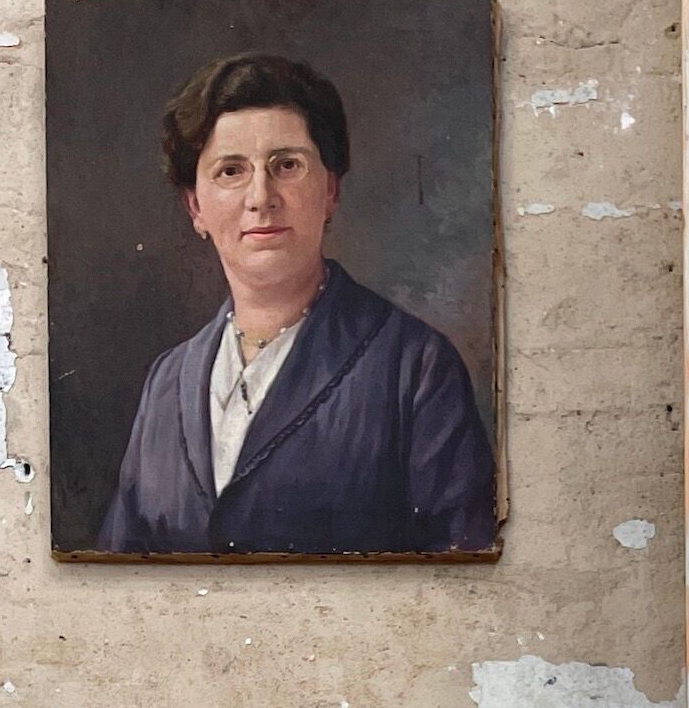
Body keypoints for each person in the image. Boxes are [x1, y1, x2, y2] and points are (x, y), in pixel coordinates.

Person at [97, 51, 497, 557]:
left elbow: (463, 572)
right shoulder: (167, 382)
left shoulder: (415, 368)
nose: (261, 197)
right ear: (196, 207)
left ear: (330, 190)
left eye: (287, 165)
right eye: (230, 171)